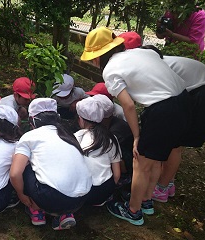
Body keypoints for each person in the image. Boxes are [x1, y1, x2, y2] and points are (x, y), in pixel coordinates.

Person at [81, 27, 191, 226]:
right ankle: (146, 200)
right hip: (184, 101)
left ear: (97, 56)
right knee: (156, 158)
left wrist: (137, 136)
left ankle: (133, 210)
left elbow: (128, 105)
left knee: (140, 161)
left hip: (163, 109)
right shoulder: (139, 52)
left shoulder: (110, 70)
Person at [151, 55, 205, 203]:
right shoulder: (158, 61)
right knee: (175, 141)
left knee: (174, 143)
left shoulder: (156, 68)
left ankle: (161, 188)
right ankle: (168, 183)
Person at [9, 98, 92, 230]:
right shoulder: (69, 135)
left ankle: (36, 210)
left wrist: (21, 194)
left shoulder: (30, 137)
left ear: (32, 121)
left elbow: (14, 173)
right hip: (83, 197)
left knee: (22, 163)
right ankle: (65, 214)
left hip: (52, 197)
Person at [74, 97, 121, 206]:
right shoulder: (111, 138)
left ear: (80, 119)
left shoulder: (77, 137)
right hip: (105, 191)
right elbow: (117, 175)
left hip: (83, 192)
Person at [91, 94, 134, 188]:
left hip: (128, 160)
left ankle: (124, 179)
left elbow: (117, 156)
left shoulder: (115, 132)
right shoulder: (109, 123)